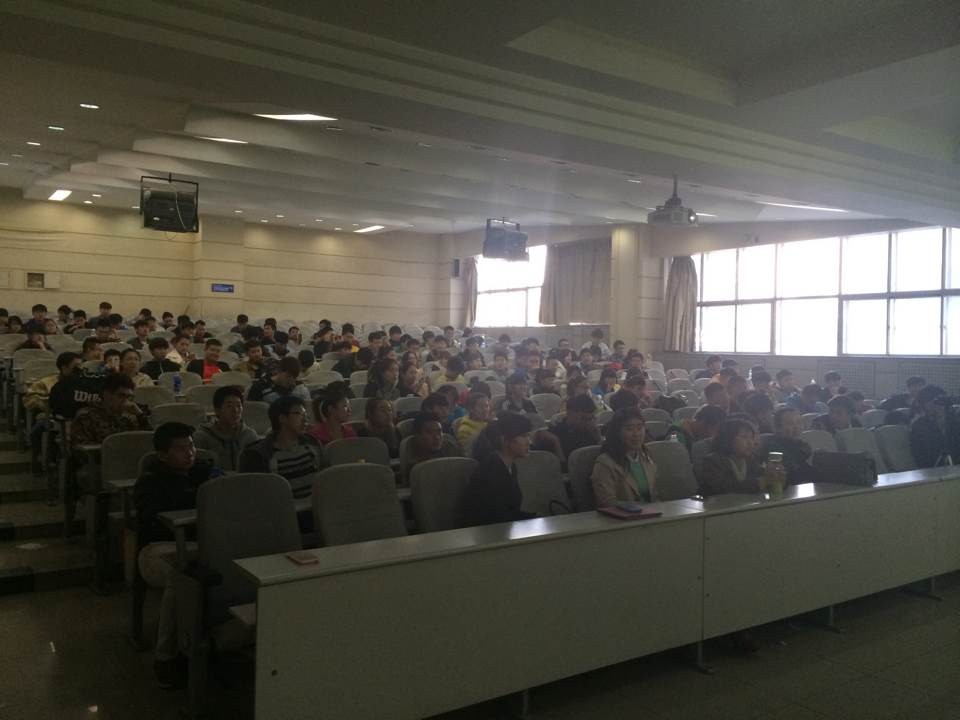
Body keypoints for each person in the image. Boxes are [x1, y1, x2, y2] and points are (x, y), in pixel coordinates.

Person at [134, 422, 216, 688]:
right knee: (181, 574)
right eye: (180, 449)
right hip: (158, 550)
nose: (189, 452)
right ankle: (166, 657)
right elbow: (154, 523)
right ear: (162, 454)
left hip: (200, 545)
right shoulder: (150, 482)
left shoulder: (203, 471)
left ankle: (214, 642)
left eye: (191, 446)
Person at [239, 395, 325, 499]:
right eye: (298, 414)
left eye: (305, 415)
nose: (305, 419)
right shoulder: (259, 455)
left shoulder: (312, 443)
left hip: (317, 504)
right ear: (282, 418)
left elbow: (324, 478)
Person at [459, 413, 536, 527]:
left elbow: (510, 513)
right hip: (486, 533)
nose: (529, 442)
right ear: (504, 440)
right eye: (524, 436)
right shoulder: (491, 471)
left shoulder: (509, 466)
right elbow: (497, 517)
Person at [591, 407, 658, 507]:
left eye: (639, 428)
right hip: (624, 515)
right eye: (629, 429)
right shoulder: (605, 463)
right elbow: (607, 502)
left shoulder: (647, 455)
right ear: (617, 432)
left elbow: (655, 495)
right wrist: (639, 509)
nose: (636, 434)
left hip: (653, 512)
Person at [70, 372, 150, 448]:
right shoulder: (86, 416)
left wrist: (140, 415)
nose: (125, 401)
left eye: (129, 397)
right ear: (106, 394)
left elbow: (150, 441)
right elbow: (81, 450)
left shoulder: (130, 417)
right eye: (121, 396)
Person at [193, 386, 260, 472]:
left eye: (239, 405)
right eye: (229, 406)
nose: (235, 410)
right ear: (217, 410)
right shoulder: (202, 437)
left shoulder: (250, 436)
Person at [699, 419, 764, 496]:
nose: (750, 443)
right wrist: (759, 483)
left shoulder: (751, 460)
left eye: (752, 438)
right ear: (729, 438)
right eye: (744, 437)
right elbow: (724, 488)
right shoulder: (713, 461)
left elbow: (761, 476)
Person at [762, 407, 818, 485]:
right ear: (778, 428)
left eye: (799, 422)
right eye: (790, 423)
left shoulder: (802, 445)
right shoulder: (772, 448)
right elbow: (782, 473)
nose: (796, 427)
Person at [910, 385, 960, 468]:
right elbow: (922, 455)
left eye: (941, 401)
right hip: (934, 468)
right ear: (924, 404)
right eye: (932, 401)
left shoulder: (955, 420)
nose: (938, 405)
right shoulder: (919, 426)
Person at [404, 411, 462, 482]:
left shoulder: (450, 450)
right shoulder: (416, 468)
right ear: (417, 436)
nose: (437, 437)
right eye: (429, 432)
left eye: (439, 432)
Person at [550, 394, 602, 462]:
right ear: (569, 413)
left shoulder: (590, 431)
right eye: (583, 418)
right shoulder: (557, 432)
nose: (587, 422)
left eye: (590, 418)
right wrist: (556, 443)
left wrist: (598, 439)